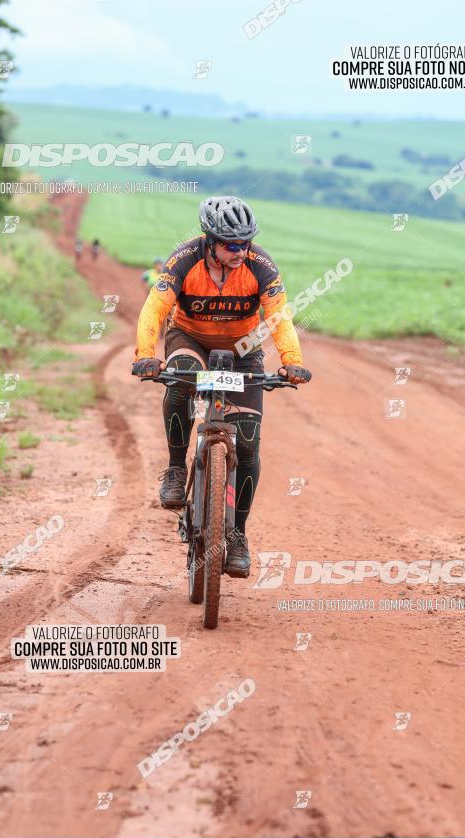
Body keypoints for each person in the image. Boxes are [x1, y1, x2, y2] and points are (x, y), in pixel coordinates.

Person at [132, 196, 311, 577]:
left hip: (243, 348)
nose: (240, 251)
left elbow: (279, 317)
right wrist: (146, 353)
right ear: (209, 240)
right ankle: (176, 469)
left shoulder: (260, 266)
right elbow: (155, 307)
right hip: (189, 339)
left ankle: (239, 534)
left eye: (245, 243)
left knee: (248, 439)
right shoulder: (184, 260)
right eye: (231, 244)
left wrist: (292, 361)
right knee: (179, 375)